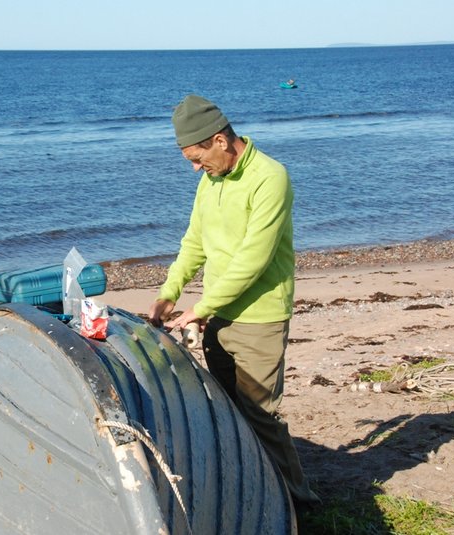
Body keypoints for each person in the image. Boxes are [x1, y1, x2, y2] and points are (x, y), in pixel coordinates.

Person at [147, 94, 320, 508]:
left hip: (259, 317)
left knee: (260, 415)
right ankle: (256, 490)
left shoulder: (270, 177)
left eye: (196, 156)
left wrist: (199, 308)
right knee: (229, 411)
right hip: (220, 313)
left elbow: (253, 260)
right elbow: (194, 243)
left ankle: (299, 500)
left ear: (221, 140)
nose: (194, 167)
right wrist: (168, 294)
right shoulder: (211, 181)